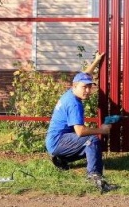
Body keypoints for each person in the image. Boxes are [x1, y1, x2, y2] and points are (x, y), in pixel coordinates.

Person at [45, 52, 116, 192]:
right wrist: (102, 130)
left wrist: (96, 60)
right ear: (75, 86)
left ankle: (61, 160)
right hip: (58, 141)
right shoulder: (74, 104)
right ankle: (94, 176)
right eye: (85, 87)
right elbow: (80, 131)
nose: (88, 90)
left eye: (90, 87)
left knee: (91, 148)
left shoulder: (71, 92)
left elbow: (85, 74)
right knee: (92, 141)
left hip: (55, 141)